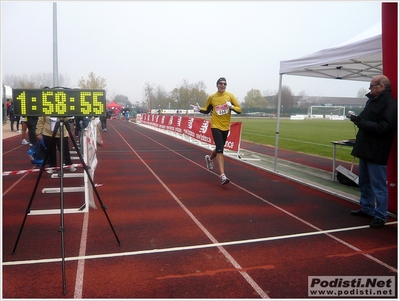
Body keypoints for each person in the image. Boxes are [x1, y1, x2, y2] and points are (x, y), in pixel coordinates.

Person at [349, 74, 397, 228]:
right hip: (365, 146)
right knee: (364, 181)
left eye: (372, 86)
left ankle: (381, 215)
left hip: (377, 149)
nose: (370, 89)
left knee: (378, 185)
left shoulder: (390, 103)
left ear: (381, 86)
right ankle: (367, 207)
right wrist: (357, 119)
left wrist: (362, 122)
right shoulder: (371, 100)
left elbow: (385, 127)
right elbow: (365, 118)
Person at [191, 77, 242, 185]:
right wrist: (199, 109)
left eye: (225, 84)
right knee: (220, 150)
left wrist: (231, 107)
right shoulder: (212, 97)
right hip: (215, 125)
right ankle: (223, 176)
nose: (223, 85)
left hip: (225, 127)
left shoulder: (230, 96)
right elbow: (207, 110)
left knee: (220, 147)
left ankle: (209, 159)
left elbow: (239, 110)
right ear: (217, 85)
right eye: (221, 84)